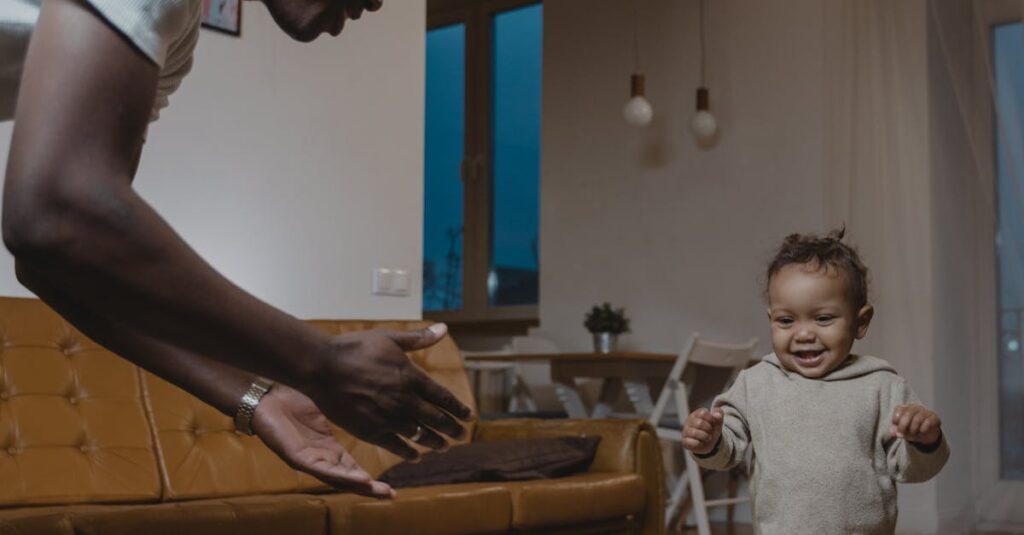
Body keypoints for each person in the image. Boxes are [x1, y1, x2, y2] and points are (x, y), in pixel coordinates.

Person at [0, 0, 472, 499]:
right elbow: (57, 213)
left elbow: (62, 266)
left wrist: (258, 396)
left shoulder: (176, 43)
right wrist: (319, 361)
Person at [682, 229, 949, 534]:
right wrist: (710, 441)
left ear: (860, 322)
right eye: (786, 320)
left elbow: (913, 470)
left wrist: (925, 441)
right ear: (771, 319)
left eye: (823, 318)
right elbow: (726, 453)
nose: (804, 333)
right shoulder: (755, 384)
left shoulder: (882, 387)